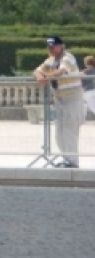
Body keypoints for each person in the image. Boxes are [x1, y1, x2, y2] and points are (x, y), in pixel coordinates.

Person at [33, 35, 84, 168]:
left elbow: (61, 72)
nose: (51, 49)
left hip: (73, 98)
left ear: (61, 46)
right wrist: (40, 77)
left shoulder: (68, 57)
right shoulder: (50, 60)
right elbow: (37, 70)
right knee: (59, 132)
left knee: (70, 130)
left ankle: (73, 162)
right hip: (60, 99)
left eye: (54, 46)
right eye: (49, 47)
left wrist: (46, 77)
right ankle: (66, 159)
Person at [83, 55, 95, 119]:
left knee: (92, 106)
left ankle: (82, 118)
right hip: (93, 90)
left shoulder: (85, 71)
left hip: (88, 91)